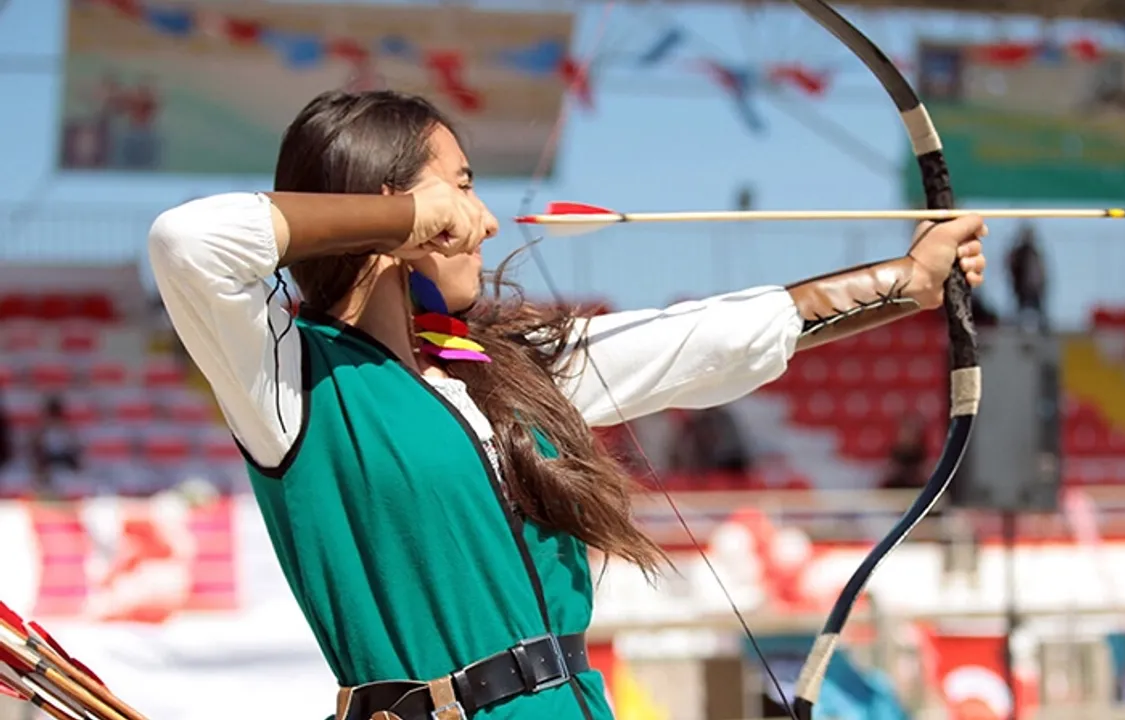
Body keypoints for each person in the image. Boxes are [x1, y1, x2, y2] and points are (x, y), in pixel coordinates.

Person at [147, 89, 987, 720]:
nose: (485, 221)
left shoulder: (495, 370)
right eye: (461, 189)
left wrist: (905, 283)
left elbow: (704, 337)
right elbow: (187, 243)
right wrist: (405, 215)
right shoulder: (291, 379)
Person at [30, 394, 81, 497]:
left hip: (65, 457)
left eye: (56, 412)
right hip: (47, 459)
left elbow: (74, 446)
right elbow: (35, 445)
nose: (54, 415)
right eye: (52, 412)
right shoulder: (41, 428)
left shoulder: (67, 428)